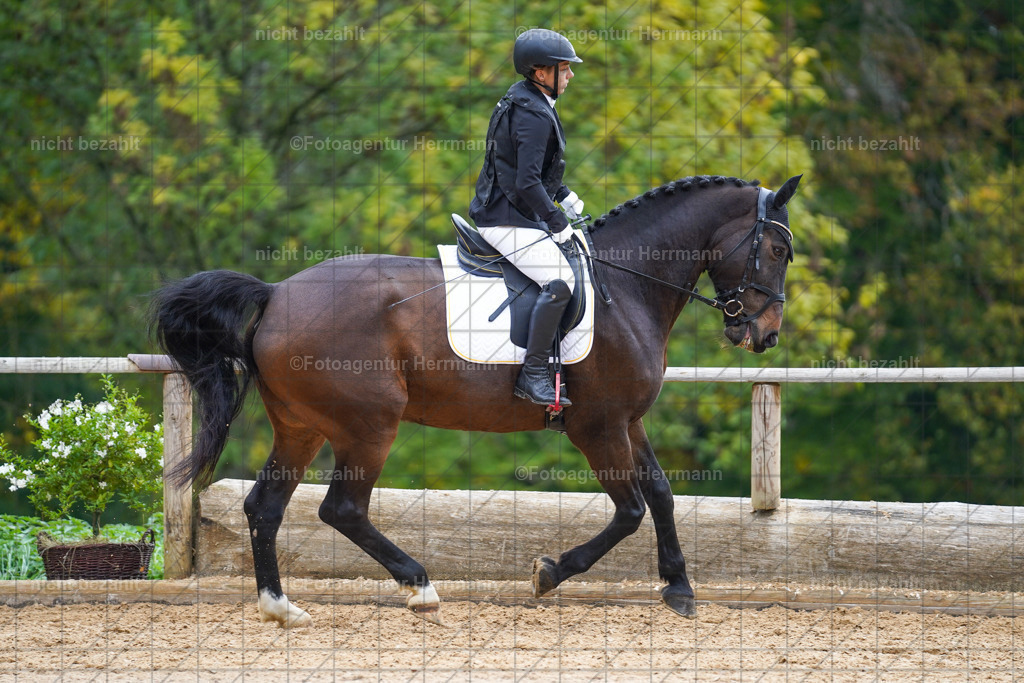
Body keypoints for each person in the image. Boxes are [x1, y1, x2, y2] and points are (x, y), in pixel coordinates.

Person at [469, 28, 584, 407]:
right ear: (540, 73)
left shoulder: (528, 101)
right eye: (563, 69)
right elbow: (526, 181)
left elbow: (524, 169)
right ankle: (533, 374)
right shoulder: (532, 112)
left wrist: (564, 196)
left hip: (513, 210)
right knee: (562, 279)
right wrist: (557, 222)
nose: (570, 77)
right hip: (504, 219)